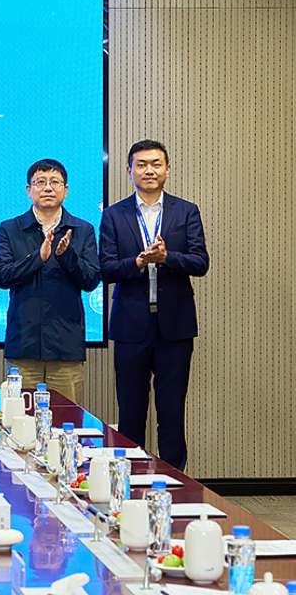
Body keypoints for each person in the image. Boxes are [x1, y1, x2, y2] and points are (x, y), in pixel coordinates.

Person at [100, 140, 209, 470]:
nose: (149, 170)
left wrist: (166, 258)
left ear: (167, 169)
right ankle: (129, 483)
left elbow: (200, 262)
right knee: (130, 413)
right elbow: (106, 269)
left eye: (156, 164)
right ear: (129, 170)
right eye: (142, 164)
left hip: (175, 327)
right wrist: (137, 262)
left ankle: (175, 486)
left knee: (172, 413)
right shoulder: (114, 214)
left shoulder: (186, 211)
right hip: (130, 327)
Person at [0, 159, 101, 404]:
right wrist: (38, 258)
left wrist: (66, 257)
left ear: (65, 189)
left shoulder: (82, 229)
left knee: (67, 416)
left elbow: (91, 280)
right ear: (28, 189)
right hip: (23, 344)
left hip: (66, 345)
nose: (48, 187)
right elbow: (2, 276)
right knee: (21, 417)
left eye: (55, 182)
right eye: (40, 182)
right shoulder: (10, 229)